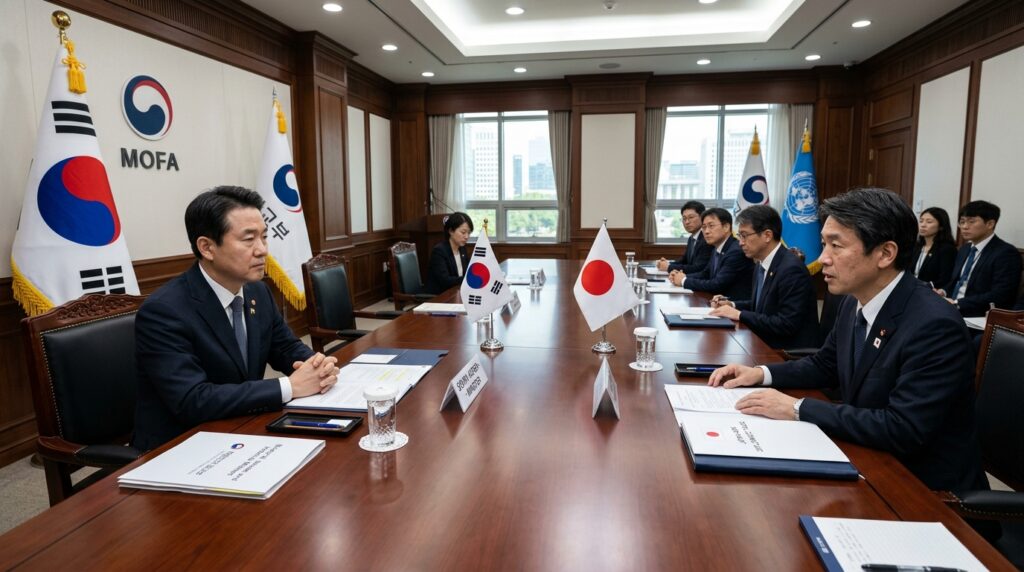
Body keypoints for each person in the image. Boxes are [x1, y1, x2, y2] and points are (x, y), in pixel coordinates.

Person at [708, 188, 986, 494]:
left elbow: (902, 428)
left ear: (885, 253)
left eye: (835, 246)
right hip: (865, 458)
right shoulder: (855, 300)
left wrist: (797, 408)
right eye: (824, 243)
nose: (822, 259)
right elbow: (825, 363)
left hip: (922, 491)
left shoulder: (934, 325)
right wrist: (761, 374)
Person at [133, 186, 339, 451]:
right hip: (181, 445)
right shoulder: (164, 311)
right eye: (248, 239)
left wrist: (316, 366)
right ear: (207, 247)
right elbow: (192, 400)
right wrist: (288, 387)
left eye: (264, 237)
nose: (262, 250)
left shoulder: (257, 290)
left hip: (240, 427)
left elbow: (285, 347)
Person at [708, 205, 818, 349]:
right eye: (740, 236)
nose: (740, 242)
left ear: (767, 235)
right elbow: (761, 306)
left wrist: (739, 314)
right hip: (763, 341)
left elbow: (786, 324)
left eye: (744, 235)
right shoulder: (761, 263)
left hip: (785, 352)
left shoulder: (791, 269)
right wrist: (732, 305)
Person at [936, 200, 1022, 317]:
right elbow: (956, 281)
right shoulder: (964, 249)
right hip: (951, 308)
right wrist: (943, 291)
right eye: (962, 222)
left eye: (971, 222)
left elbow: (1001, 294)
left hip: (977, 314)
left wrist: (958, 303)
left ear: (990, 224)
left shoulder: (1005, 253)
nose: (965, 227)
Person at [668, 208, 753, 300]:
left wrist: (684, 281)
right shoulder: (717, 248)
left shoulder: (735, 251)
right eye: (704, 227)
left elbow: (717, 284)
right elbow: (706, 274)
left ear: (726, 227)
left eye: (711, 226)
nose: (706, 231)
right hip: (717, 302)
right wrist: (682, 276)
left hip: (735, 306)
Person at [655, 201, 712, 274]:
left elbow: (698, 268)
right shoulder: (692, 238)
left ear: (702, 217)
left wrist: (668, 267)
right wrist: (668, 264)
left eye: (691, 217)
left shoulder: (707, 238)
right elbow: (684, 261)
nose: (687, 222)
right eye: (684, 218)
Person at [424, 211, 473, 294]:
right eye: (463, 232)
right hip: (439, 297)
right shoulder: (439, 251)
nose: (466, 236)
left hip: (456, 292)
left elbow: (467, 272)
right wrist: (468, 279)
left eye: (469, 233)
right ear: (451, 231)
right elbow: (445, 281)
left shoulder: (462, 249)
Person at [909, 206, 956, 288]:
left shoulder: (947, 249)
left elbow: (945, 279)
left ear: (941, 226)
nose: (923, 225)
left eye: (929, 222)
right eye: (921, 221)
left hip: (931, 292)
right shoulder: (916, 246)